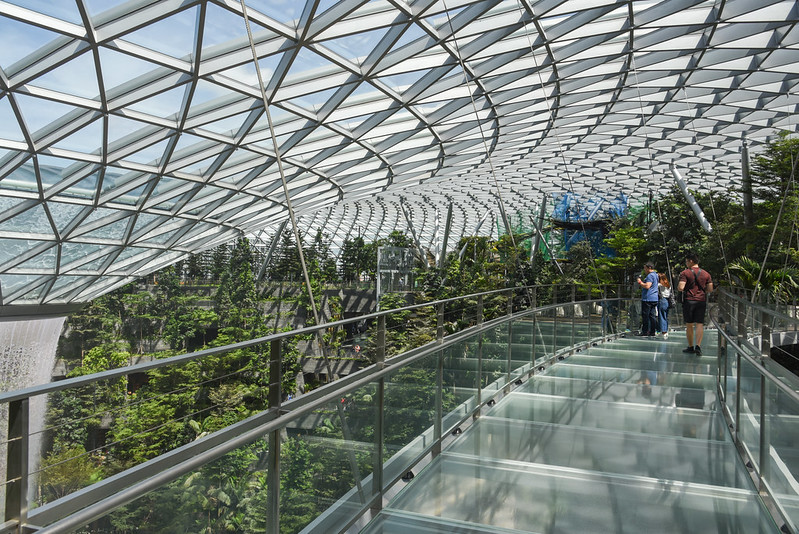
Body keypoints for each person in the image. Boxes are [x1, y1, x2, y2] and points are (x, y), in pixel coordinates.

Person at [677, 252, 713, 355]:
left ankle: (690, 347)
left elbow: (681, 287)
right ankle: (698, 346)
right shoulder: (706, 274)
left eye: (687, 261)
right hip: (701, 300)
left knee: (689, 324)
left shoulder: (685, 273)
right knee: (699, 323)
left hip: (689, 301)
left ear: (691, 261)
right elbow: (710, 289)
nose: (686, 263)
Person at [635, 261, 659, 337]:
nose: (644, 270)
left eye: (645, 268)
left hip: (648, 298)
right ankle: (652, 331)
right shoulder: (656, 275)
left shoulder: (650, 276)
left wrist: (640, 282)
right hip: (654, 298)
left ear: (649, 268)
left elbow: (647, 286)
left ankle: (645, 331)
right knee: (652, 316)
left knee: (645, 315)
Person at [657, 272, 672, 339]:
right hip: (667, 301)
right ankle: (665, 330)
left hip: (662, 300)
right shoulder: (668, 285)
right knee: (665, 316)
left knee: (661, 316)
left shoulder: (659, 285)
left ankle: (663, 332)